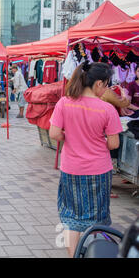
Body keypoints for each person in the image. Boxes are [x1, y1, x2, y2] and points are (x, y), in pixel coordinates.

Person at [49, 62, 122, 258]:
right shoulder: (107, 109)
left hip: (71, 169)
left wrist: (71, 137)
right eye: (107, 85)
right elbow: (114, 144)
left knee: (71, 218)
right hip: (98, 171)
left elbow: (54, 133)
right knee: (97, 219)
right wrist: (97, 141)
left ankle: (72, 255)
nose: (107, 89)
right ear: (98, 83)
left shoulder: (64, 102)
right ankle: (95, 253)